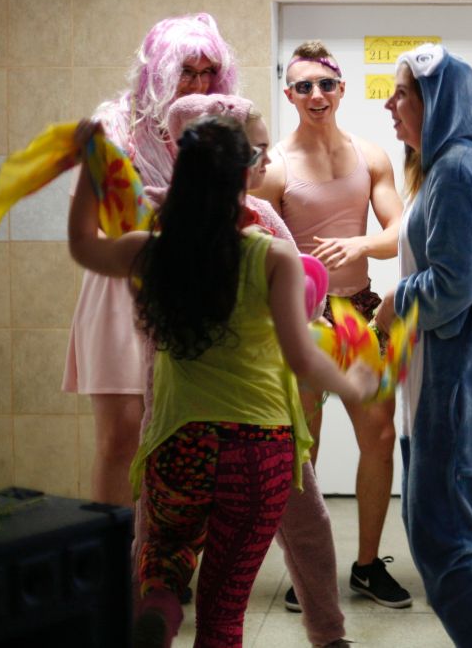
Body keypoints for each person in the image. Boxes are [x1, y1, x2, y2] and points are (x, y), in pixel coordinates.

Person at [67, 115, 377, 648]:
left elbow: (83, 245)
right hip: (258, 449)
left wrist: (90, 165)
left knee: (164, 553)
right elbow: (302, 357)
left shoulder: (151, 250)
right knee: (224, 609)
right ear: (245, 176)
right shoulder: (271, 255)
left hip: (179, 443)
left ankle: (160, 603)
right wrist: (353, 385)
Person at [160, 95, 350, 647]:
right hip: (259, 422)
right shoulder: (257, 229)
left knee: (162, 539)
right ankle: (329, 636)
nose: (269, 160)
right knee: (303, 528)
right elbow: (306, 310)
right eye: (258, 150)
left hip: (177, 418)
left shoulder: (165, 224)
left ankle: (153, 611)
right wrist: (349, 376)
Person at [376, 43, 472, 646]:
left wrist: (395, 302)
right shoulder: (447, 168)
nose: (390, 105)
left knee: (450, 553)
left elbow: (454, 286)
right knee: (441, 545)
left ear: (437, 102)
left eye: (402, 94)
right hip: (444, 387)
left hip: (463, 393)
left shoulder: (458, 171)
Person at [253, 40, 410, 609]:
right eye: (303, 86)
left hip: (356, 315)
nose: (315, 94)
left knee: (380, 436)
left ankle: (367, 566)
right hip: (298, 320)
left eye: (325, 84)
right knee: (305, 446)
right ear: (290, 94)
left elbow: (399, 231)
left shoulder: (370, 156)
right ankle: (308, 571)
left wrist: (361, 243)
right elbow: (255, 245)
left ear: (341, 89)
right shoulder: (275, 167)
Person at [62, 13, 237, 507]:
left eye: (207, 73)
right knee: (121, 438)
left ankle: (167, 552)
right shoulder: (114, 128)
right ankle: (116, 553)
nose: (197, 84)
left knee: (184, 441)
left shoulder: (213, 131)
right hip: (122, 286)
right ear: (159, 71)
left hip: (192, 291)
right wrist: (146, 244)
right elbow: (89, 229)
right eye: (186, 72)